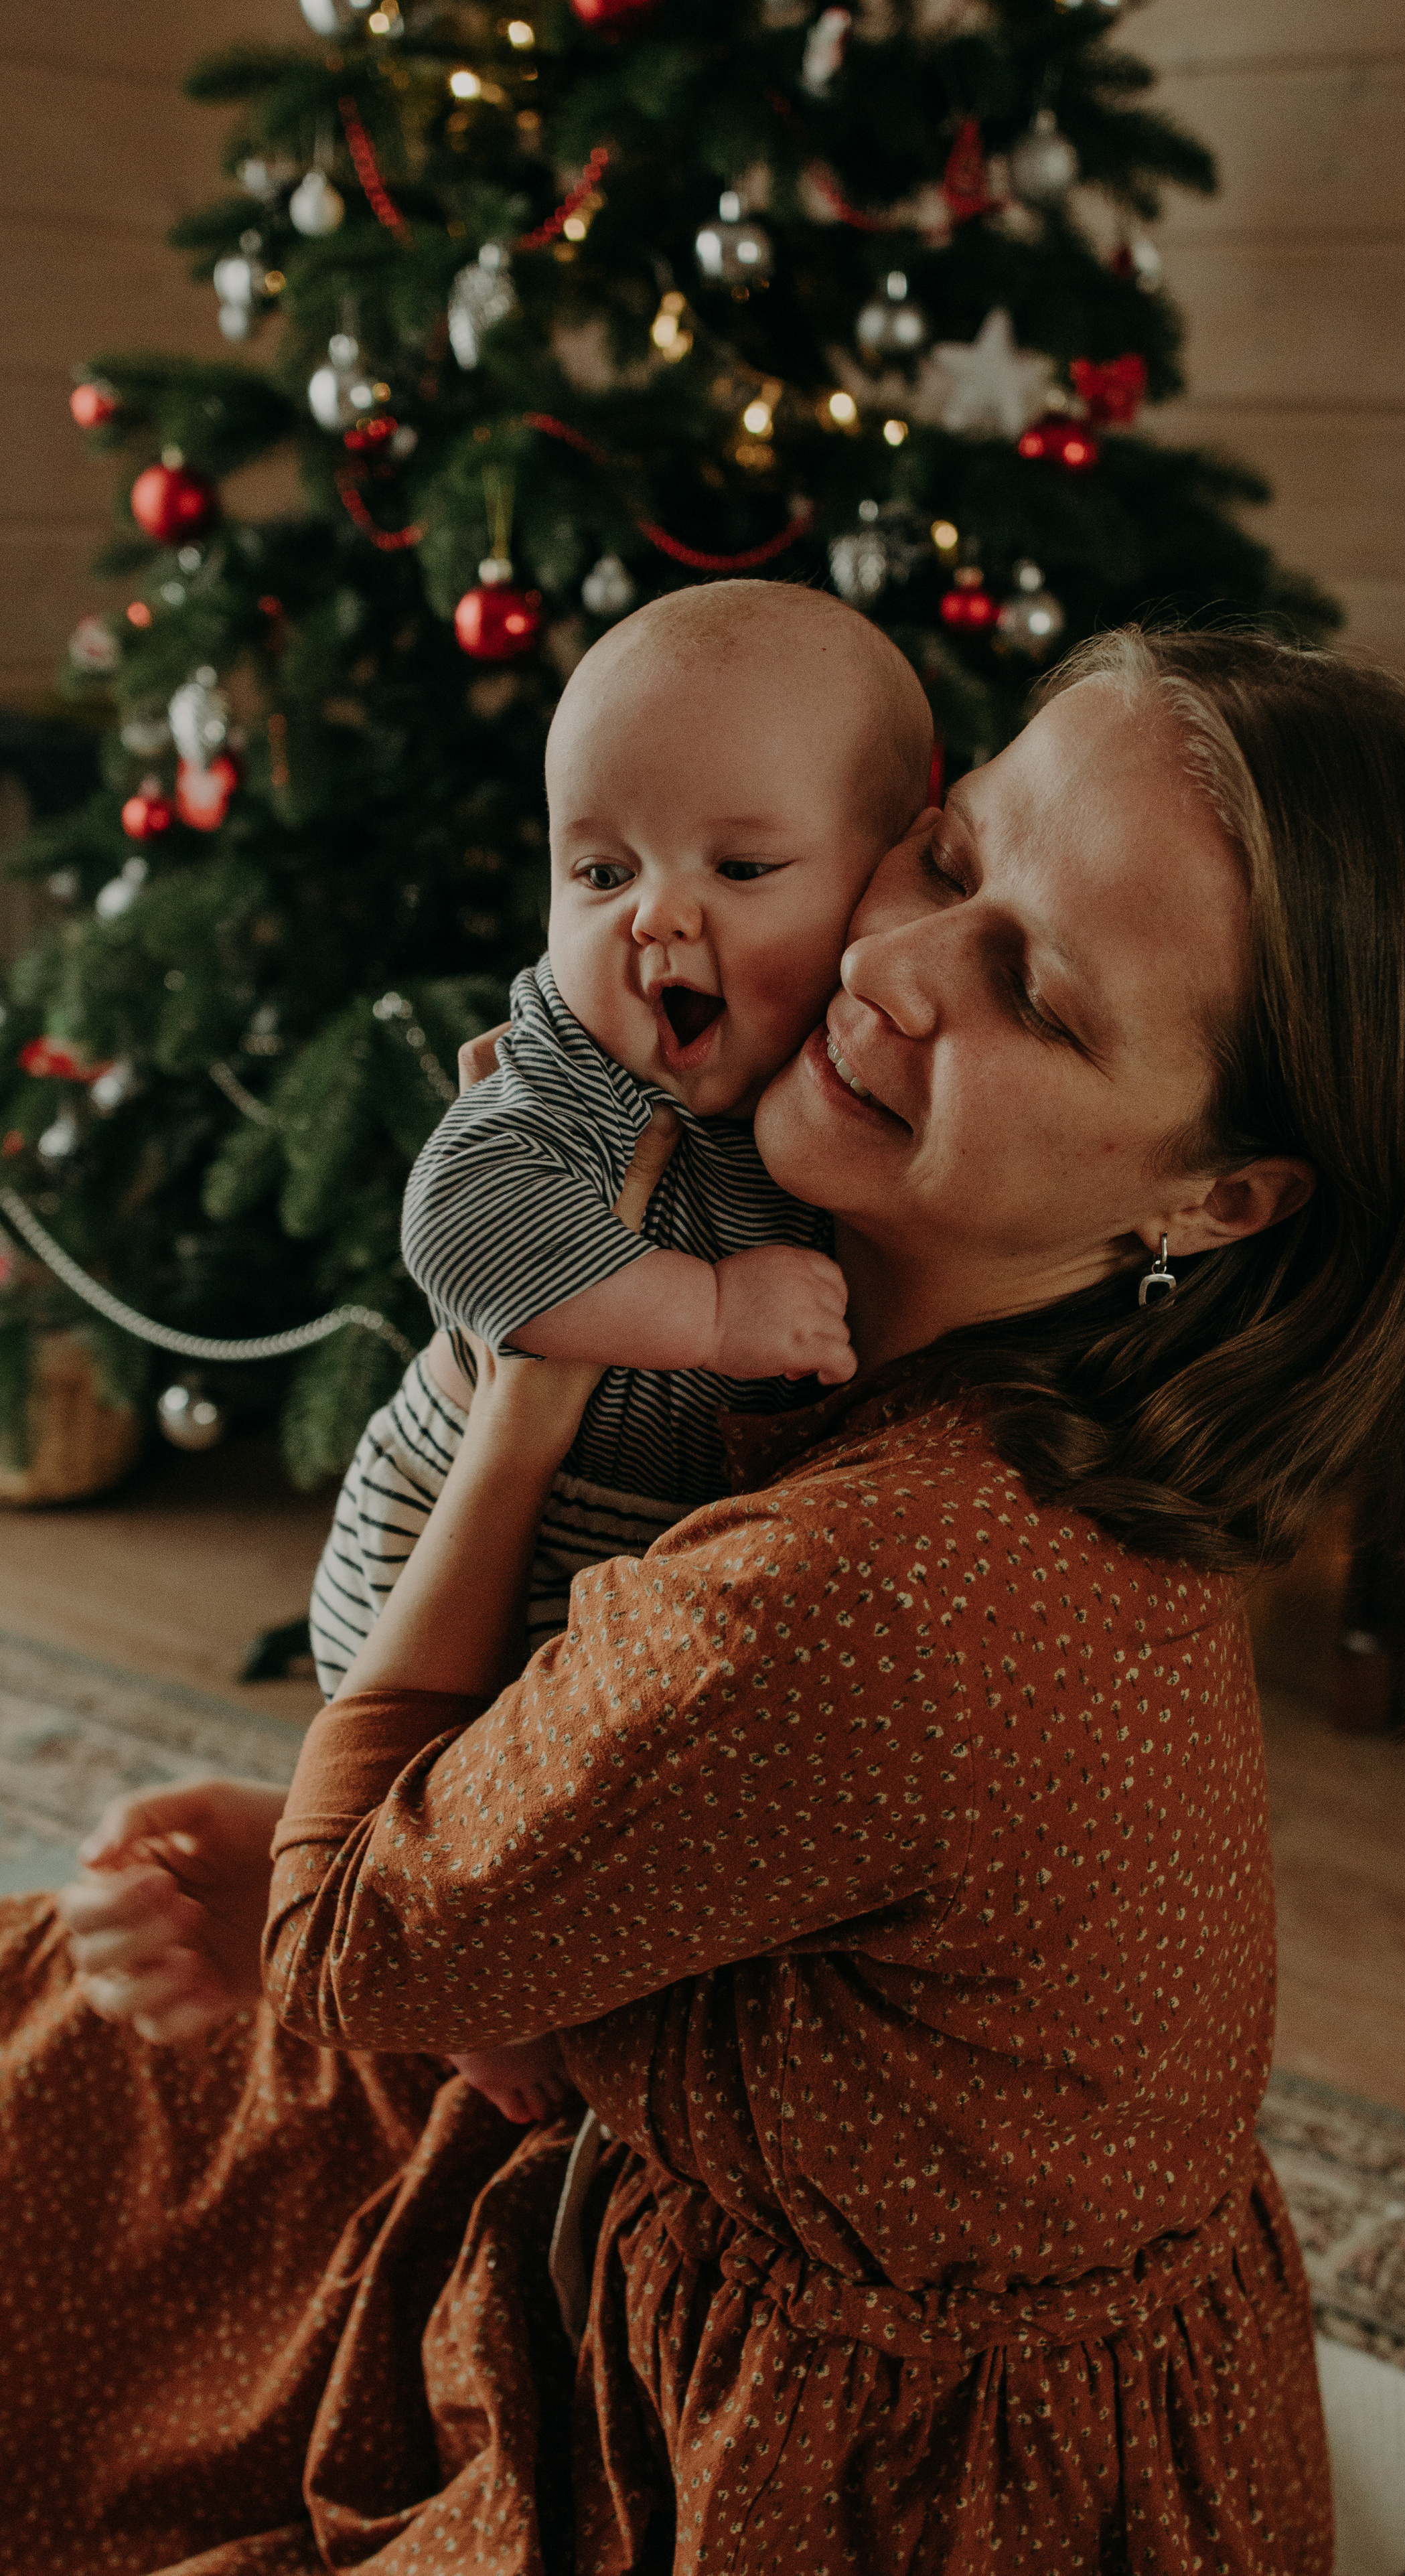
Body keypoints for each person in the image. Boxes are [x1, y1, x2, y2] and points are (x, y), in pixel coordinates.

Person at [10, 627, 1405, 2575]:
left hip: (862, 2471)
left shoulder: (870, 1585)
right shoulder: (971, 1346)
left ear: (1219, 1197)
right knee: (65, 2021)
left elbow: (339, 1950)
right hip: (703, 2091)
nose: (893, 975)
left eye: (1039, 1001)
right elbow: (731, 1874)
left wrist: (526, 1386)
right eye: (955, 856)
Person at [308, 580, 930, 2123]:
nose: (654, 915)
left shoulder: (855, 1081)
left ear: (883, 877)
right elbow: (463, 1230)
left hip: (648, 1551)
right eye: (598, 867)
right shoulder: (578, 1067)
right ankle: (460, 2009)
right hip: (459, 1527)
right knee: (456, 1820)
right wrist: (708, 1317)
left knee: (590, 1823)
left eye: (742, 864)